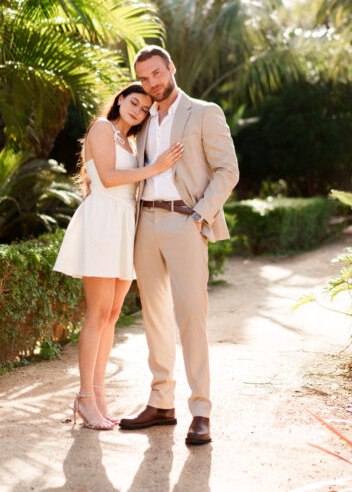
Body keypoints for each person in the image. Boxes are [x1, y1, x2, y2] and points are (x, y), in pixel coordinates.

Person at [119, 46, 239, 445]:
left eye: (157, 73)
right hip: (146, 223)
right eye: (145, 77)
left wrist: (200, 214)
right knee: (153, 316)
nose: (152, 82)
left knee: (191, 316)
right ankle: (161, 403)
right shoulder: (143, 117)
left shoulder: (204, 112)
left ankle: (201, 410)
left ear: (172, 67)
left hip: (185, 221)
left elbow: (228, 170)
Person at [53, 84, 185, 430]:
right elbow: (109, 179)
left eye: (144, 108)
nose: (138, 110)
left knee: (112, 315)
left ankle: (98, 395)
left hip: (127, 224)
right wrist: (154, 168)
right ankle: (84, 396)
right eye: (133, 102)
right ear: (120, 100)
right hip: (103, 221)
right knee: (97, 313)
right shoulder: (101, 128)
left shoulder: (131, 143)